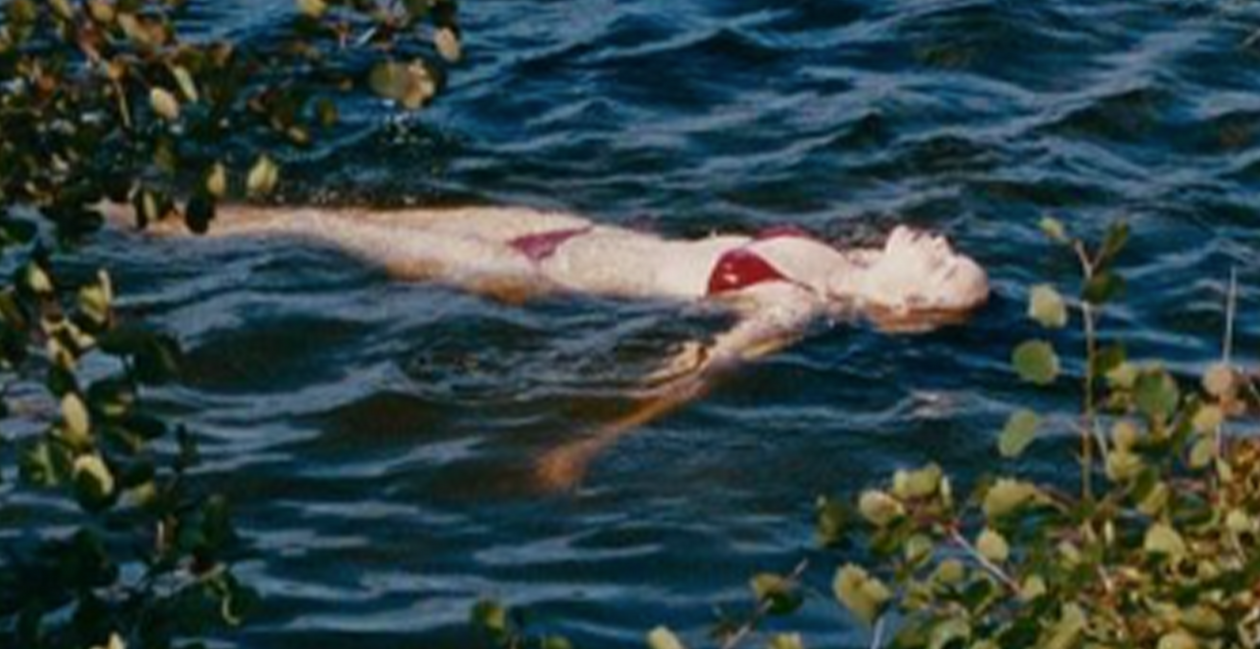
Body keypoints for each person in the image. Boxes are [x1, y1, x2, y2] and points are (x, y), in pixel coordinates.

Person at [121, 198, 989, 488]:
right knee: (326, 213)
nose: (945, 250)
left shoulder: (793, 312)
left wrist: (582, 445)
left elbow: (690, 375)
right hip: (561, 229)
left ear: (906, 305)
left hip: (538, 275)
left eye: (947, 272)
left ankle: (121, 222)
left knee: (315, 223)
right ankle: (133, 212)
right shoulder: (848, 265)